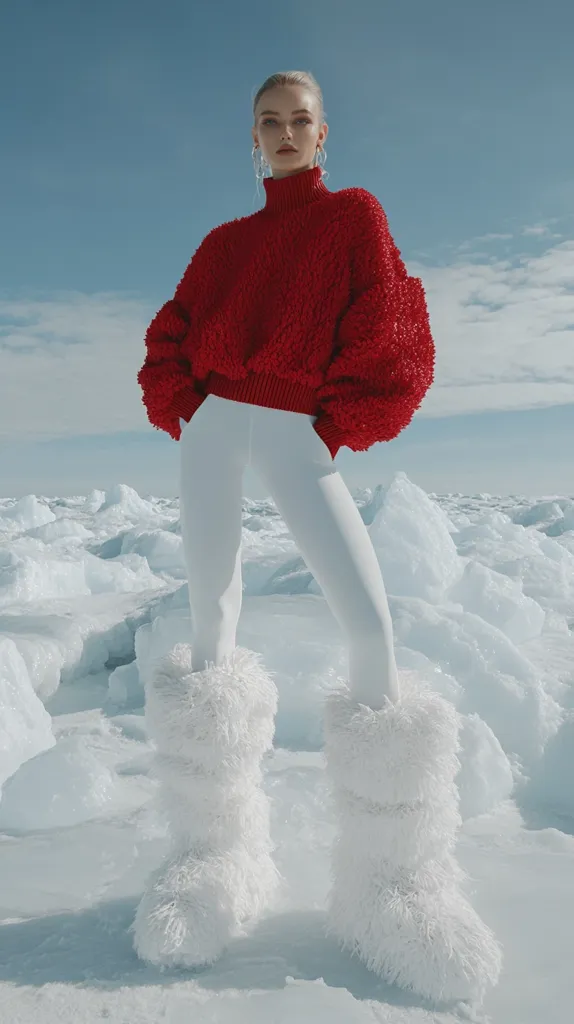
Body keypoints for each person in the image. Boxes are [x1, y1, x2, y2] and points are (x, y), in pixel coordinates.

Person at [132, 70, 502, 1005]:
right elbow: (174, 328)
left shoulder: (354, 218)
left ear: (324, 134)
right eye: (270, 121)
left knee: (370, 627)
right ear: (252, 137)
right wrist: (191, 405)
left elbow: (391, 328)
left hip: (298, 427)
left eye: (301, 120)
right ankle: (213, 858)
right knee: (211, 624)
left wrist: (326, 425)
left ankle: (394, 883)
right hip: (215, 425)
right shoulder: (223, 243)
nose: (286, 133)